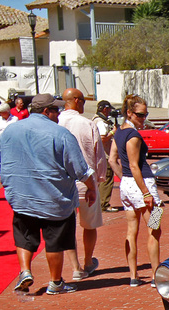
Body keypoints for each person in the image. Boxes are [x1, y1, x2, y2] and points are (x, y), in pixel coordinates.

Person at [0, 93, 97, 295]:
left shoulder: (12, 130)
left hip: (22, 197)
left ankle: (25, 271)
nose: (59, 113)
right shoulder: (60, 134)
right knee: (55, 241)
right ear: (46, 111)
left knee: (24, 237)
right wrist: (91, 187)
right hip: (54, 198)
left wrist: (8, 179)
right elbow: (80, 169)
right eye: (56, 110)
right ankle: (55, 282)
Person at [109, 95, 163, 287]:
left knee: (132, 230)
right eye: (140, 115)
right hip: (143, 184)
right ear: (129, 113)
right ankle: (157, 277)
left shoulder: (119, 132)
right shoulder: (134, 136)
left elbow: (112, 160)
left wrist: (125, 180)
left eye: (145, 114)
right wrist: (145, 192)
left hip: (127, 186)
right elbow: (134, 165)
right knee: (155, 229)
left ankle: (133, 275)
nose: (143, 118)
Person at [59, 88, 107, 280]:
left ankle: (76, 266)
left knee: (68, 226)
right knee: (89, 225)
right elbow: (100, 156)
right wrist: (99, 179)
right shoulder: (88, 124)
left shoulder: (57, 123)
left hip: (63, 184)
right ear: (77, 101)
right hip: (88, 183)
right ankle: (87, 261)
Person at [93, 100, 118, 213]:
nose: (109, 112)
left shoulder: (97, 120)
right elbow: (103, 138)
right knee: (107, 179)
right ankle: (104, 204)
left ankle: (100, 203)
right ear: (104, 109)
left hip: (101, 155)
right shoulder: (100, 122)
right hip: (105, 155)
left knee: (103, 179)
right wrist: (113, 132)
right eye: (108, 110)